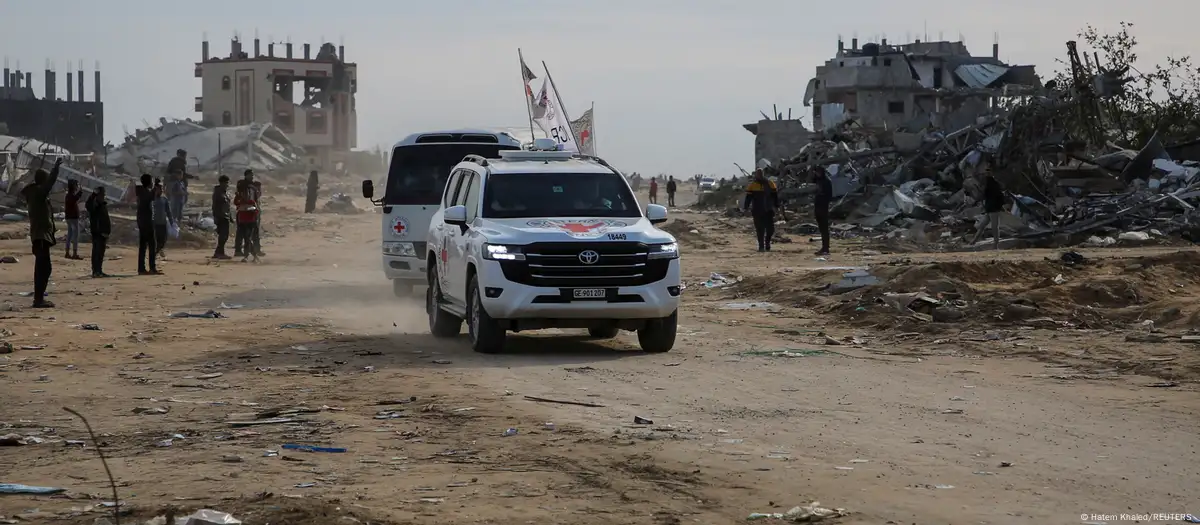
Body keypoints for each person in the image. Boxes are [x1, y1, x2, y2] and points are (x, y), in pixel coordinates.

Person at [22, 157, 64, 308]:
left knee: (44, 267)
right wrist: (56, 169)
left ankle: (39, 298)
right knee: (43, 268)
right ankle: (38, 299)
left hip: (41, 235)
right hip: (40, 236)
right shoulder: (38, 193)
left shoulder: (35, 193)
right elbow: (49, 184)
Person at [743, 169, 780, 252]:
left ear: (763, 174)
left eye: (761, 173)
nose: (759, 175)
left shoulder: (770, 184)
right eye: (758, 174)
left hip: (768, 210)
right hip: (757, 210)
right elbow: (748, 198)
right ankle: (761, 246)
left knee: (770, 229)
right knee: (760, 229)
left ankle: (767, 242)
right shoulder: (752, 185)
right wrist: (746, 208)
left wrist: (777, 207)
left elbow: (775, 197)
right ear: (756, 175)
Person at [134, 174, 161, 275]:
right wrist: (156, 186)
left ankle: (142, 268)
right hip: (146, 222)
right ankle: (151, 268)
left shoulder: (142, 192)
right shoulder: (144, 192)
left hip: (143, 221)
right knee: (152, 245)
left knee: (143, 246)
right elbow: (151, 197)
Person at [972, 173, 1006, 250]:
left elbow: (981, 196)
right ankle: (973, 241)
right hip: (990, 210)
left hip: (993, 210)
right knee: (982, 226)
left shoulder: (992, 190)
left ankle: (996, 245)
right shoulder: (993, 189)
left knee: (994, 227)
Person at [85, 186, 111, 277]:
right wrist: (93, 195)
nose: (103, 196)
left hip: (103, 232)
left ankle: (99, 270)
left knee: (100, 253)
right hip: (98, 232)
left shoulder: (102, 204)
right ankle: (96, 271)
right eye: (102, 194)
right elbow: (88, 205)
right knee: (97, 252)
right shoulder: (94, 205)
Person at [233, 180, 261, 262]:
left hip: (249, 219)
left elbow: (255, 207)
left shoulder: (250, 197)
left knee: (247, 238)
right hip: (243, 219)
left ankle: (247, 256)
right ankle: (253, 256)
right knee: (247, 238)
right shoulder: (240, 196)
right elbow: (236, 203)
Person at [165, 149, 192, 224]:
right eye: (185, 156)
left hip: (175, 184)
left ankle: (176, 219)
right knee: (177, 203)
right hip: (177, 185)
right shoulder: (180, 162)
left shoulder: (173, 161)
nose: (185, 157)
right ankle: (175, 220)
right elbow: (183, 174)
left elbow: (167, 173)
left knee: (177, 203)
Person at [242, 169, 264, 257]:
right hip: (246, 214)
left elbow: (256, 199)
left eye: (252, 175)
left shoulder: (252, 187)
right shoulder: (244, 186)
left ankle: (255, 251)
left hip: (253, 213)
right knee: (247, 235)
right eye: (250, 175)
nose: (252, 177)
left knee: (254, 233)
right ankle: (249, 253)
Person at [812, 167, 833, 256]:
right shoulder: (818, 181)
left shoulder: (826, 182)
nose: (817, 174)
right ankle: (824, 247)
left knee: (824, 229)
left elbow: (829, 196)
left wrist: (823, 199)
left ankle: (826, 248)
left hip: (823, 207)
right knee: (821, 228)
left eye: (818, 172)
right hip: (818, 207)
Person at [211, 175, 232, 259]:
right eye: (226, 183)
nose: (227, 185)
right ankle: (219, 253)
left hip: (225, 216)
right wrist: (216, 217)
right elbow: (215, 206)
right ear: (222, 183)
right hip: (221, 216)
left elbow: (227, 206)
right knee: (223, 236)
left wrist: (230, 217)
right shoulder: (218, 193)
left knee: (224, 236)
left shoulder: (224, 192)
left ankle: (219, 252)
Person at [152, 181, 173, 257]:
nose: (161, 191)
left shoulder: (164, 199)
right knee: (156, 238)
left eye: (161, 189)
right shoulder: (152, 199)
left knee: (164, 238)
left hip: (163, 222)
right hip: (154, 222)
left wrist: (171, 220)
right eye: (159, 189)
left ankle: (159, 250)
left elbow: (168, 211)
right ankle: (156, 252)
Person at [63, 179, 83, 260]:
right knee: (75, 236)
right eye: (76, 185)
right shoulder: (71, 196)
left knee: (70, 235)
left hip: (69, 218)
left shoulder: (68, 195)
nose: (77, 187)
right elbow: (76, 198)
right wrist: (80, 192)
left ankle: (67, 252)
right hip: (73, 218)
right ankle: (74, 253)